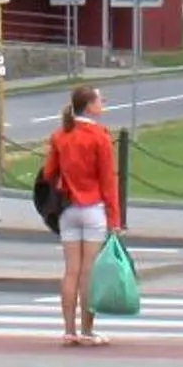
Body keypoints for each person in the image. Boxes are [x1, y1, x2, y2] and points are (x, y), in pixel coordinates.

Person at [40, 84, 123, 346]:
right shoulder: (100, 136)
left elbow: (49, 172)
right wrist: (115, 219)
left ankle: (68, 331)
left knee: (71, 272)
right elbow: (108, 181)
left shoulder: (60, 135)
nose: (103, 102)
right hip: (93, 209)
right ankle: (87, 331)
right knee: (89, 273)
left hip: (67, 210)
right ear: (88, 106)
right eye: (100, 99)